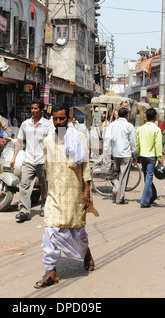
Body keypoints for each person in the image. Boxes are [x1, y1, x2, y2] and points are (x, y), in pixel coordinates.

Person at [34, 103, 98, 289]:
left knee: (76, 231)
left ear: (68, 117)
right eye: (55, 118)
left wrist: (87, 191)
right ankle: (51, 271)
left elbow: (85, 166)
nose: (58, 122)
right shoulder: (48, 141)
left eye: (62, 118)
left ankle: (85, 253)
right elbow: (46, 170)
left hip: (75, 192)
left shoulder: (79, 137)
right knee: (50, 231)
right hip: (55, 194)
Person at [10, 100, 53, 222]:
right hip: (28, 160)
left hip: (43, 161)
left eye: (36, 108)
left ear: (41, 110)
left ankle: (45, 206)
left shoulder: (48, 125)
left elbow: (51, 143)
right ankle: (24, 211)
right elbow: (19, 141)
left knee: (45, 186)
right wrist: (14, 157)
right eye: (32, 108)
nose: (33, 111)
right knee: (24, 185)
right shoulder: (25, 124)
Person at [102, 107, 137, 204]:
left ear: (118, 115)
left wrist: (105, 153)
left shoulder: (112, 125)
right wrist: (135, 155)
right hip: (126, 154)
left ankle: (116, 188)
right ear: (126, 115)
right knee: (123, 176)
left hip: (115, 154)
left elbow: (107, 138)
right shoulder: (129, 126)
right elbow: (133, 142)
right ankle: (120, 198)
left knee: (116, 173)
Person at [136, 108, 163, 208]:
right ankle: (145, 201)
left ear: (146, 117)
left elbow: (137, 143)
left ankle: (152, 196)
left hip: (142, 155)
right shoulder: (156, 129)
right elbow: (158, 144)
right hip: (152, 156)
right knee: (149, 178)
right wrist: (160, 157)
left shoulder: (140, 129)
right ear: (155, 118)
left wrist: (137, 155)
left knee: (147, 178)